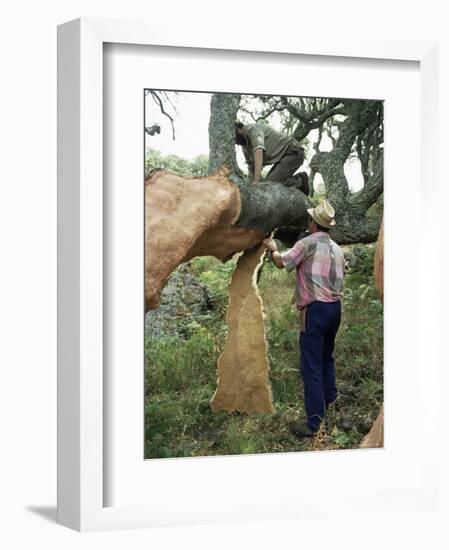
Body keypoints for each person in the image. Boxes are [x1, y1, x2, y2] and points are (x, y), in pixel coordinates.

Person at [262, 199, 344, 438]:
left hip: (316, 311)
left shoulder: (306, 244)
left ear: (312, 222)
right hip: (335, 309)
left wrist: (272, 247)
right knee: (326, 358)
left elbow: (281, 262)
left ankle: (315, 423)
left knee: (311, 365)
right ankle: (332, 405)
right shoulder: (337, 249)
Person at [235, 121, 307, 191]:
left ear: (237, 128)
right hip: (280, 160)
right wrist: (250, 187)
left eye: (234, 135)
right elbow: (251, 169)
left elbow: (259, 151)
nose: (235, 141)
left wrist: (256, 181)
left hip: (293, 152)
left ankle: (299, 180)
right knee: (266, 184)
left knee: (270, 185)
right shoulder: (245, 147)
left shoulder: (252, 129)